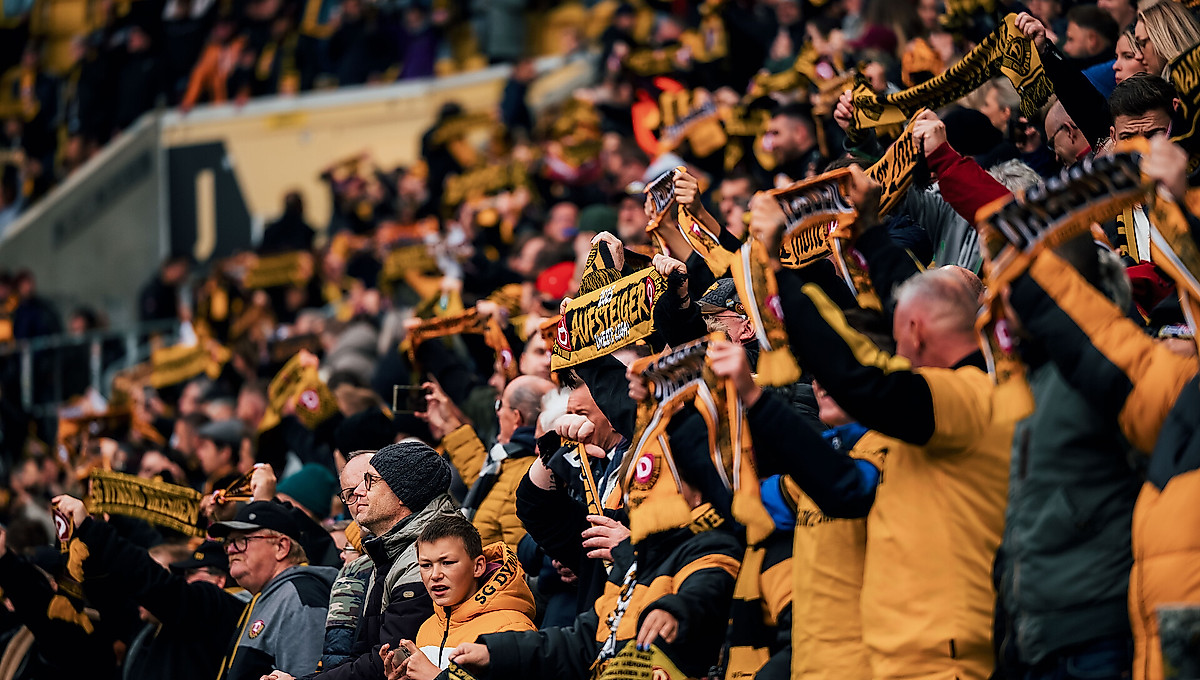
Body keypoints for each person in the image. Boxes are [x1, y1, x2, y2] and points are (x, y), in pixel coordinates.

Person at [747, 171, 1024, 680]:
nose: (893, 354)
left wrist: (776, 270)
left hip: (943, 662)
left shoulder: (969, 399)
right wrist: (871, 231)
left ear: (915, 334)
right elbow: (913, 302)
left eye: (895, 343)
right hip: (911, 657)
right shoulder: (960, 390)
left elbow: (863, 382)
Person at [57, 496, 336, 680]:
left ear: (281, 546)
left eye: (242, 541)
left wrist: (95, 532)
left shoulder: (301, 596)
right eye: (228, 543)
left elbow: (307, 674)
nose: (231, 551)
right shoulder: (265, 599)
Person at [275, 440, 458, 680]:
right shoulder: (389, 552)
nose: (360, 493)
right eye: (349, 493)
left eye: (369, 482)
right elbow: (364, 653)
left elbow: (387, 661)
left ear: (402, 491)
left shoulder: (427, 554)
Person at [379, 515, 536, 680]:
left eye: (447, 563)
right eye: (426, 565)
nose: (435, 575)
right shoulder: (427, 627)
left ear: (478, 566)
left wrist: (436, 677)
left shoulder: (513, 627)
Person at [442, 375, 555, 550]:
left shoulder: (527, 475)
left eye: (499, 405)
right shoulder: (510, 461)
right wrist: (447, 423)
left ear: (517, 417)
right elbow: (486, 486)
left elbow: (517, 561)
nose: (498, 412)